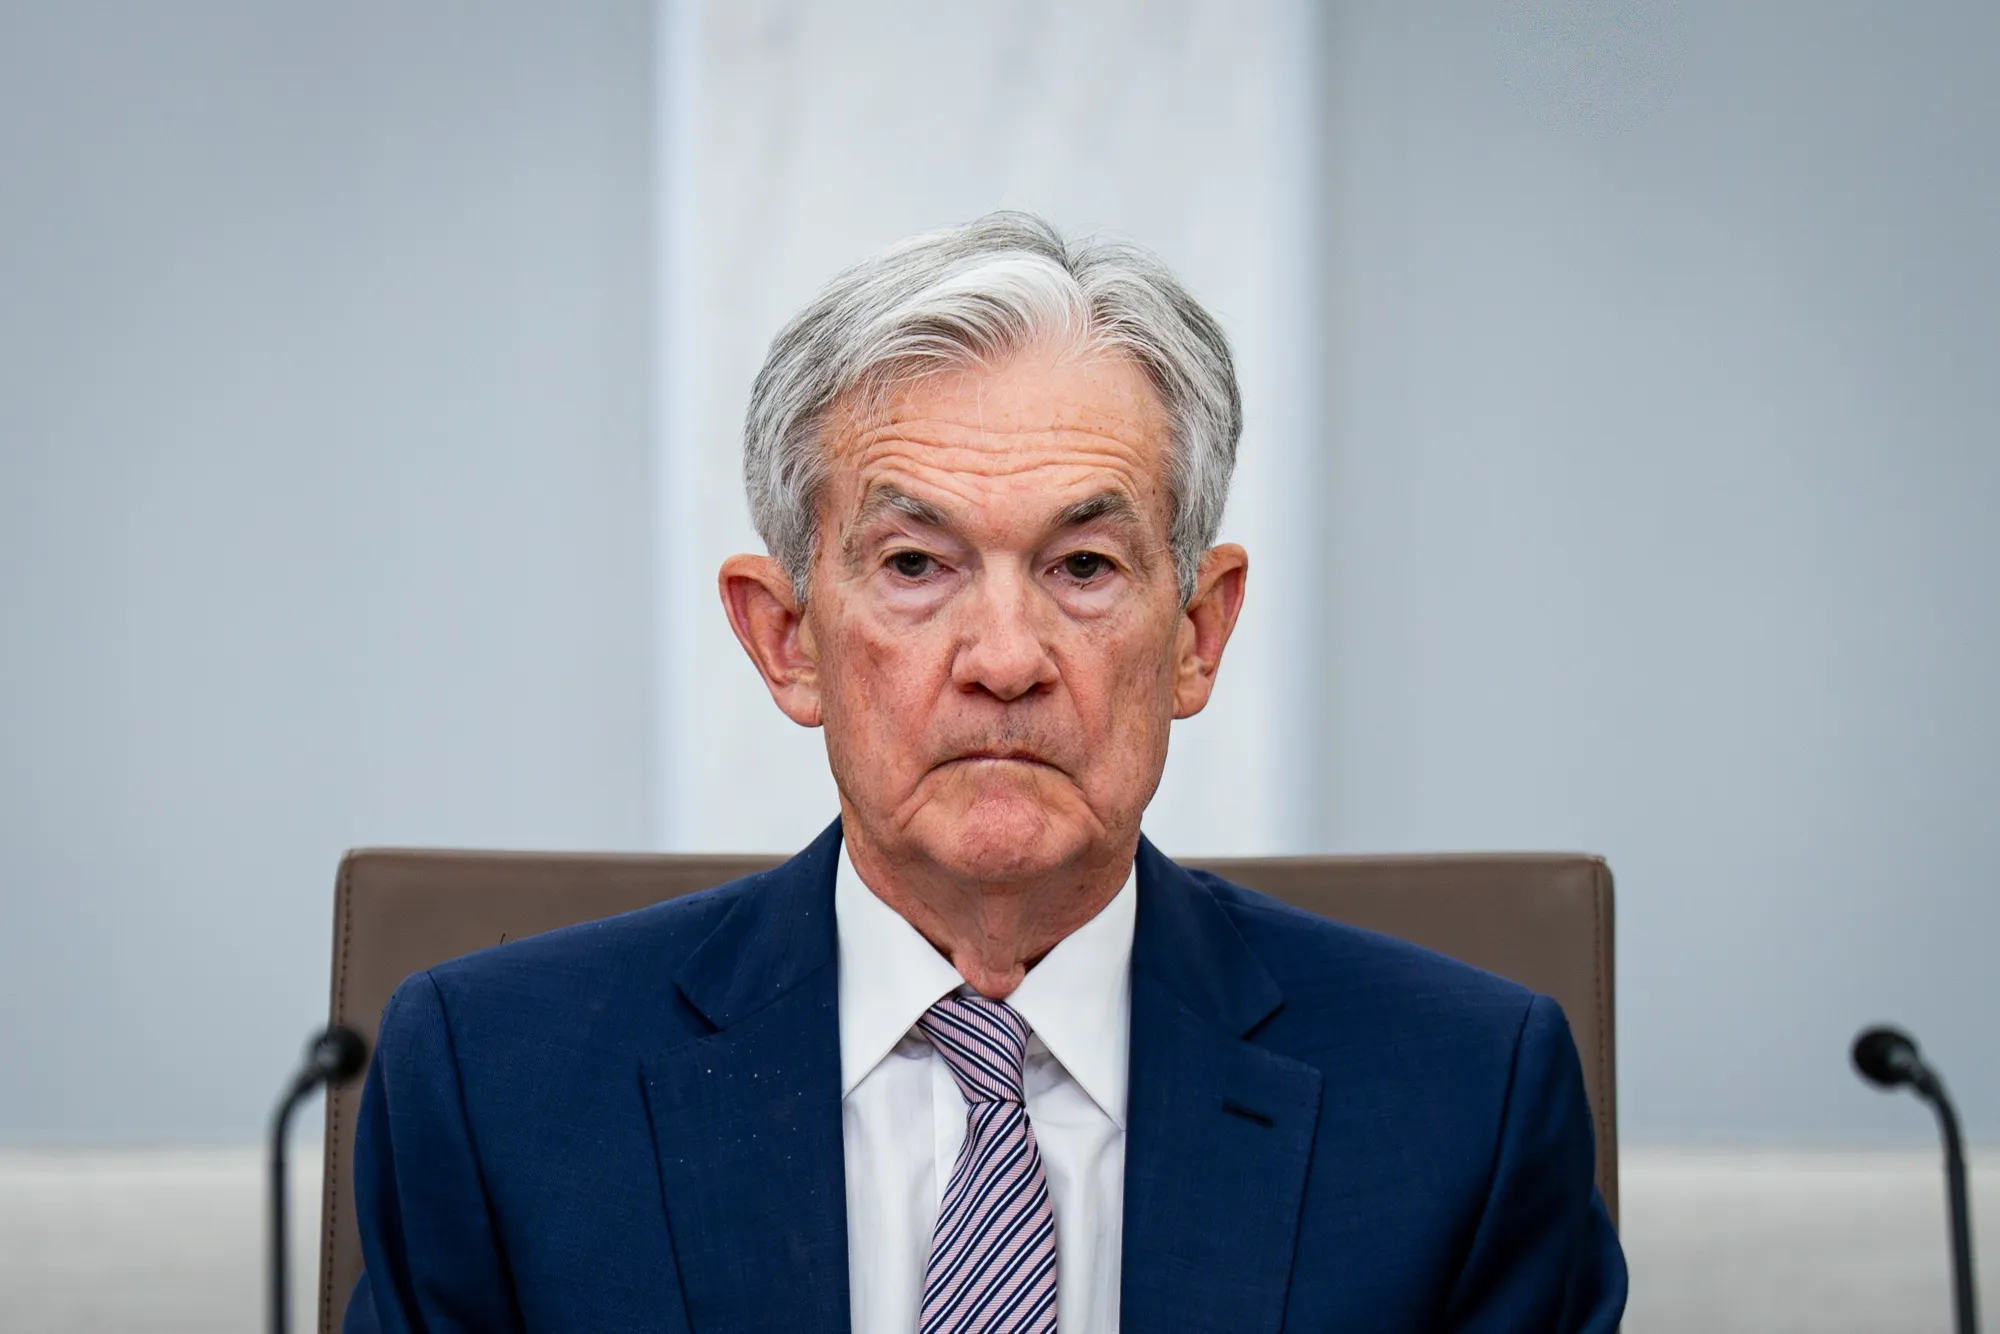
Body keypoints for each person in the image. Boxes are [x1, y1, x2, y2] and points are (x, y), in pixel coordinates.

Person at [344, 213, 1627, 1333]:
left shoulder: (1462, 1103)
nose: (1004, 659)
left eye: (1082, 568)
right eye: (914, 564)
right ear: (785, 638)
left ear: (1196, 631)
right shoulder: (496, 1092)